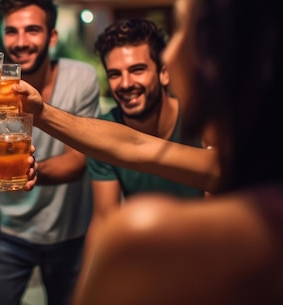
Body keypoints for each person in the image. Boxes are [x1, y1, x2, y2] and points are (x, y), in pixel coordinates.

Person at [0, 0, 283, 305]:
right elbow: (134, 146)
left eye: (186, 28)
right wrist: (40, 112)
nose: (173, 50)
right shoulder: (238, 172)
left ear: (235, 57)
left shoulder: (142, 231)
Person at [0, 0, 100, 305]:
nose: (20, 41)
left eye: (32, 30)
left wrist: (31, 170)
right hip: (9, 233)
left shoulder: (80, 77)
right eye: (11, 31)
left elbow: (78, 162)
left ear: (52, 37)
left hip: (69, 233)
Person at [84, 18, 205, 264]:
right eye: (115, 74)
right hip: (148, 256)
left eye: (137, 70)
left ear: (164, 73)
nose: (126, 84)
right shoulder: (105, 132)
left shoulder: (201, 121)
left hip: (204, 248)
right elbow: (104, 220)